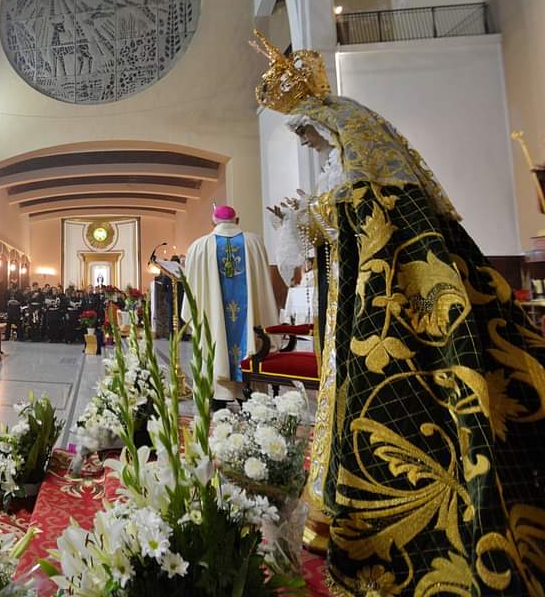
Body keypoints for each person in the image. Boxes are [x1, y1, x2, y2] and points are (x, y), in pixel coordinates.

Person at [253, 30, 545, 594]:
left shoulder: (362, 161)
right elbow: (344, 225)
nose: (310, 146)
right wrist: (308, 218)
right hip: (357, 298)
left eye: (309, 135)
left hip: (390, 306)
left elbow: (363, 222)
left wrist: (306, 219)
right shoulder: (356, 154)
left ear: (327, 124)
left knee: (398, 403)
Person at [181, 204, 278, 407]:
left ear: (212, 222)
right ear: (237, 220)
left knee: (214, 346)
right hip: (251, 327)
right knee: (249, 344)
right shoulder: (254, 243)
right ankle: (249, 399)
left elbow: (192, 291)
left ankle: (218, 399)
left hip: (214, 323)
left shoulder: (199, 246)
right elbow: (263, 287)